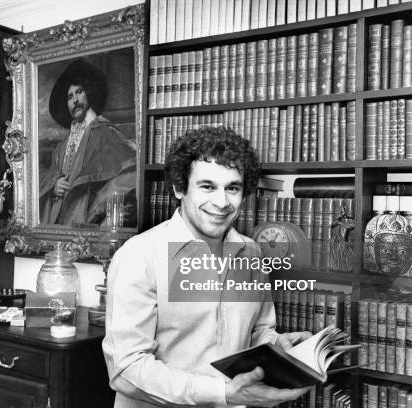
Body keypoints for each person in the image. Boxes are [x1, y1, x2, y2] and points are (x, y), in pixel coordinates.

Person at [103, 126, 311, 407]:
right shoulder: (139, 255)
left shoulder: (251, 252)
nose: (222, 202)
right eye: (207, 187)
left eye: (233, 188)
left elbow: (257, 331)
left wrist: (278, 347)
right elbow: (126, 370)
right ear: (179, 187)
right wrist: (221, 393)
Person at [39, 59, 137, 226]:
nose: (75, 100)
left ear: (89, 94)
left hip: (89, 220)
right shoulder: (62, 146)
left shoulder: (107, 133)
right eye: (70, 97)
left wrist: (97, 205)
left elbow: (129, 173)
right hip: (60, 223)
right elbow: (49, 177)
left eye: (79, 92)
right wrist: (54, 186)